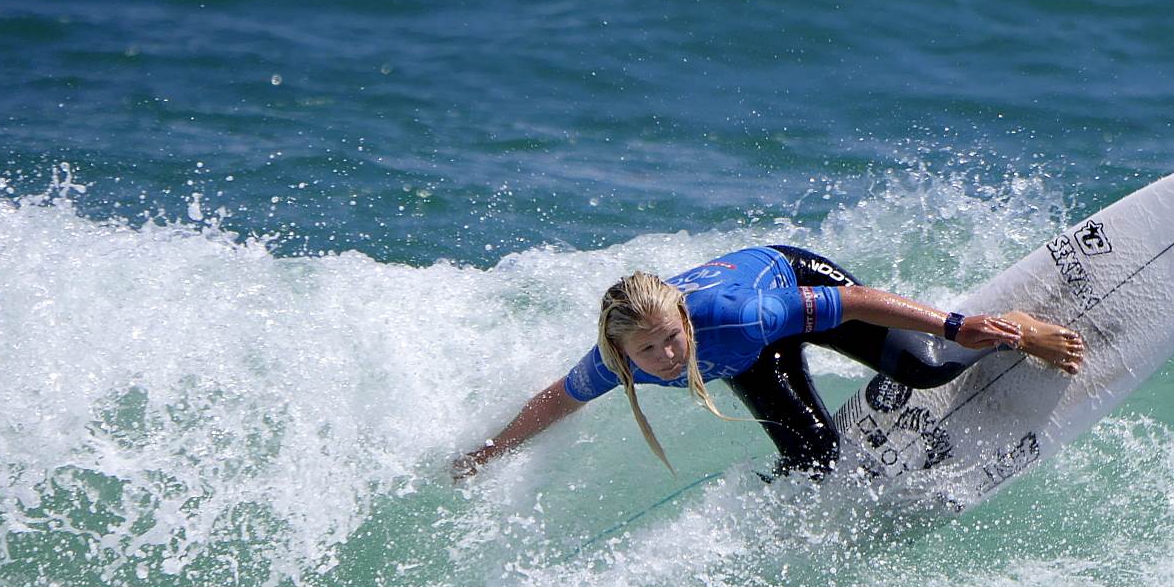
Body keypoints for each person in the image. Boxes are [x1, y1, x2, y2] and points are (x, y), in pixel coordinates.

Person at [451, 244, 1085, 481]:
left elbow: (852, 302)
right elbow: (557, 399)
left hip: (790, 283)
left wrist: (954, 325)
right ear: (623, 352)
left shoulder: (738, 316)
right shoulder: (613, 363)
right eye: (648, 350)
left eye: (671, 339)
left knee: (923, 369)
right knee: (813, 458)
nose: (667, 358)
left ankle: (1016, 326)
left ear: (684, 322)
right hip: (746, 355)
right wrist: (489, 452)